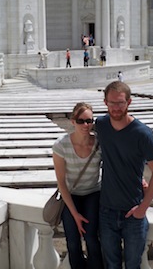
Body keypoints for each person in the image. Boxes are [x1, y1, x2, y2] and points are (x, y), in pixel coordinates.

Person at [95, 81, 153, 269]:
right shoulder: (100, 125)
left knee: (133, 265)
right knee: (111, 264)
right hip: (106, 210)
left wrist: (143, 208)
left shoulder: (143, 134)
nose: (116, 108)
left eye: (120, 103)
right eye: (111, 103)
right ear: (105, 103)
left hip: (133, 211)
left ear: (129, 102)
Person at [53, 102, 104, 269]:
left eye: (89, 121)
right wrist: (75, 214)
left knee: (91, 238)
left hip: (93, 193)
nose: (86, 125)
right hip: (71, 195)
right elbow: (61, 182)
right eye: (81, 121)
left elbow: (118, 162)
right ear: (73, 121)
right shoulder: (61, 145)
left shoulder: (99, 143)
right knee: (73, 242)